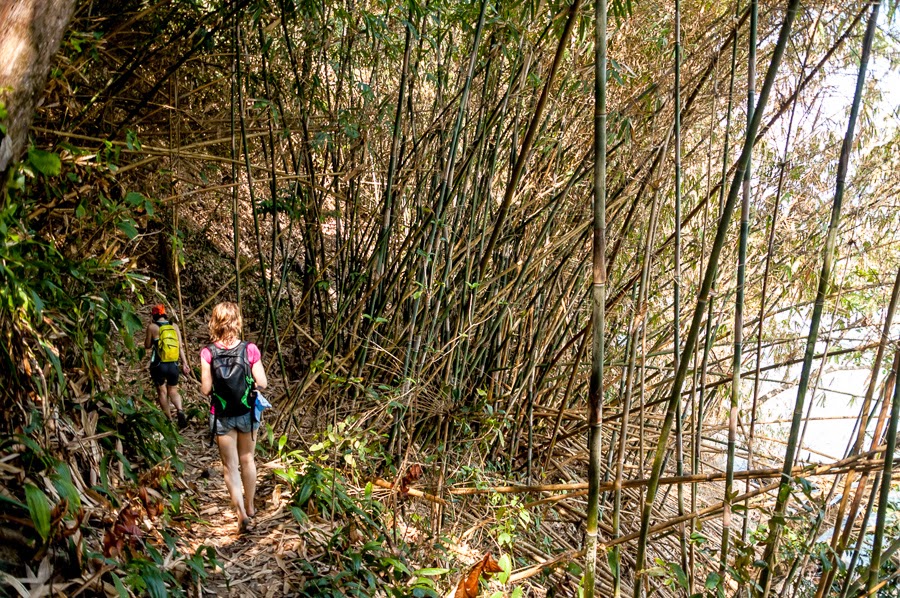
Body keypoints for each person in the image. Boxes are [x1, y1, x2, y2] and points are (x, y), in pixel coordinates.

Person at [200, 301, 267, 533]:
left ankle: (239, 512)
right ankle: (249, 507)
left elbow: (205, 389)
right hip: (247, 413)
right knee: (247, 459)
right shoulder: (250, 349)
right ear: (237, 321)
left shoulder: (208, 352)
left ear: (215, 323)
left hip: (221, 414)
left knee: (230, 466)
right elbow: (263, 382)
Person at [144, 304, 190, 428]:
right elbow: (180, 347)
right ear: (165, 314)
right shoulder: (174, 326)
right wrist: (185, 363)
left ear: (154, 315)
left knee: (162, 392)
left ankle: (169, 421)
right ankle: (180, 410)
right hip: (173, 365)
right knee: (173, 391)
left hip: (159, 365)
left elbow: (147, 345)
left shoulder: (152, 327)